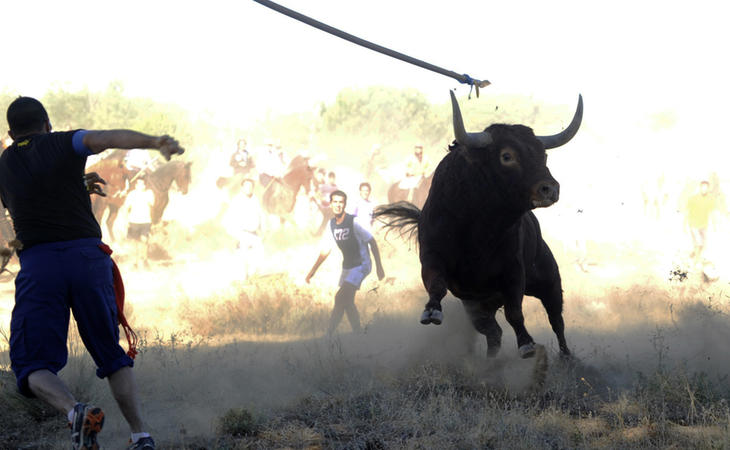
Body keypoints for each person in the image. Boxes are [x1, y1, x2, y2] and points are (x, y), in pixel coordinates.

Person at [0, 97, 184, 450]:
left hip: (40, 266)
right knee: (111, 353)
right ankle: (141, 435)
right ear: (47, 124)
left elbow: (28, 195)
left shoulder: (4, 164)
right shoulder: (62, 142)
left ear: (10, 133)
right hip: (87, 259)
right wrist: (155, 142)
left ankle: (75, 412)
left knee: (30, 364)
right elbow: (105, 137)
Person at [306, 190, 385, 335]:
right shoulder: (331, 225)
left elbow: (372, 241)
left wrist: (379, 267)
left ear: (345, 204)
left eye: (341, 202)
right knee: (348, 301)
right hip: (347, 266)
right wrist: (312, 271)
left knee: (340, 297)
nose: (338, 205)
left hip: (361, 265)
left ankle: (329, 335)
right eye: (335, 202)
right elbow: (325, 250)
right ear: (330, 204)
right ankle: (359, 333)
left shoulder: (353, 222)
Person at [223, 178, 264, 279]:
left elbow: (260, 214)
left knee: (254, 250)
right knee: (250, 249)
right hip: (240, 231)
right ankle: (247, 276)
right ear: (242, 188)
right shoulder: (237, 200)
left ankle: (250, 275)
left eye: (251, 187)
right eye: (246, 186)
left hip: (252, 232)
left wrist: (263, 228)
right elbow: (230, 217)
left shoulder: (255, 199)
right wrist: (236, 233)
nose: (249, 188)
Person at [686, 180, 717, 263]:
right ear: (700, 188)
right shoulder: (693, 198)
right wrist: (684, 225)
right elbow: (687, 212)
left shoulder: (710, 199)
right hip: (693, 224)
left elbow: (712, 213)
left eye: (706, 188)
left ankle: (692, 255)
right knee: (699, 244)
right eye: (703, 188)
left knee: (703, 246)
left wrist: (714, 225)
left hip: (704, 225)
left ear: (708, 189)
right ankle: (695, 263)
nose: (704, 190)